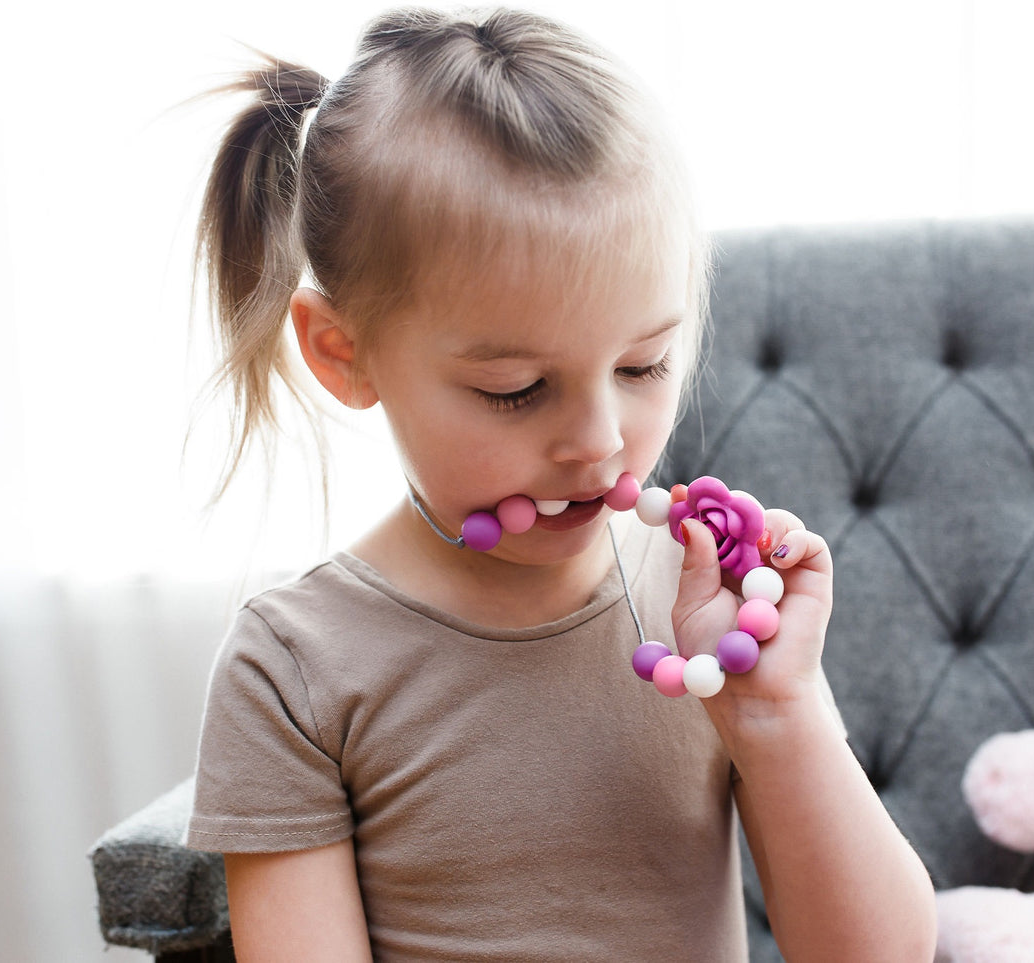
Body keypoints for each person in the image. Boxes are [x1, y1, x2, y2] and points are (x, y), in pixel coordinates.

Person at [183, 7, 936, 961]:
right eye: (517, 389)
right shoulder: (292, 668)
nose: (599, 442)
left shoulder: (703, 604)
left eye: (643, 366)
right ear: (343, 354)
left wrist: (777, 715)